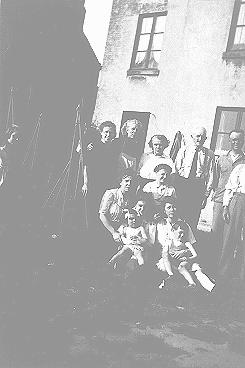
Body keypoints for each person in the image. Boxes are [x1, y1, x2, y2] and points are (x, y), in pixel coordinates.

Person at [81, 121, 121, 228]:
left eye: (111, 133)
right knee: (90, 206)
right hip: (93, 182)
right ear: (101, 132)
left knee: (103, 207)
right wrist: (85, 183)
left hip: (107, 183)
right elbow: (86, 165)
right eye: (106, 132)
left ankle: (98, 229)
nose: (108, 135)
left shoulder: (115, 148)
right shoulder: (93, 146)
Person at [157, 220, 215, 292]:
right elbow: (165, 254)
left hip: (185, 263)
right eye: (180, 232)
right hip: (173, 264)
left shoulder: (186, 243)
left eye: (184, 233)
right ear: (173, 230)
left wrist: (188, 258)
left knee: (188, 268)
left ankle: (194, 284)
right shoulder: (169, 242)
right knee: (165, 258)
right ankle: (171, 276)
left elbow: (195, 255)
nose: (182, 235)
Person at [212, 129, 245, 257]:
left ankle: (226, 265)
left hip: (237, 203)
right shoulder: (221, 159)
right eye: (234, 140)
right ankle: (211, 264)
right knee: (216, 232)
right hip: (220, 199)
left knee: (231, 235)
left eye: (240, 140)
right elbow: (214, 179)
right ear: (229, 141)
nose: (237, 142)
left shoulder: (244, 160)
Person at [175, 127, 215, 230]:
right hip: (183, 184)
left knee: (193, 216)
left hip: (198, 187)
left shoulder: (209, 154)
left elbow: (211, 175)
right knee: (179, 212)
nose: (199, 139)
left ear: (205, 139)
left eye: (202, 137)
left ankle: (190, 241)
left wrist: (206, 195)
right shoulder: (184, 150)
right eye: (197, 136)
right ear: (192, 137)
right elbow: (176, 169)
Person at [99, 169, 135, 259]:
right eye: (126, 181)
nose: (129, 184)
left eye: (131, 182)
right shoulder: (111, 194)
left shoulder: (129, 198)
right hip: (106, 228)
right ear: (120, 182)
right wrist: (113, 232)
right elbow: (102, 215)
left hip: (120, 229)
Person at [219, 163, 245, 281]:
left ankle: (242, 275)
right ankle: (223, 273)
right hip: (238, 200)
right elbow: (229, 187)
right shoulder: (240, 168)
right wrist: (225, 206)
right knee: (229, 237)